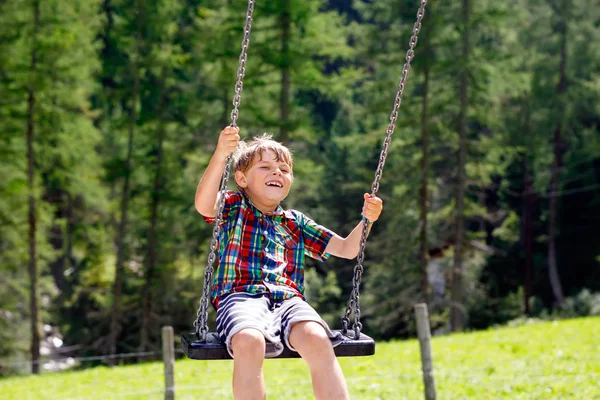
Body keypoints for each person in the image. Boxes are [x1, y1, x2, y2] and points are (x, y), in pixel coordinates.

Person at [195, 126, 383, 400]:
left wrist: (368, 220)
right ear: (241, 178)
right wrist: (221, 154)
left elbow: (346, 248)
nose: (277, 173)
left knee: (317, 338)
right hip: (239, 296)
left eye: (284, 169)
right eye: (266, 167)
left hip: (288, 301)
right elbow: (204, 205)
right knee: (249, 340)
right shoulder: (234, 206)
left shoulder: (296, 222)